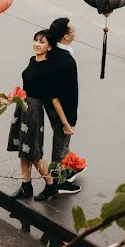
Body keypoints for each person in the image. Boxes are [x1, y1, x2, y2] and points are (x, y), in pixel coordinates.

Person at [7, 30, 59, 201]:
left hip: (34, 110)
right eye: (35, 40)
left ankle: (51, 186)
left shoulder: (49, 69)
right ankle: (26, 186)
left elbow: (52, 97)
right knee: (23, 150)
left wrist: (64, 123)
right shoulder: (32, 60)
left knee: (34, 153)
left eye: (42, 42)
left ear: (50, 47)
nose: (36, 44)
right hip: (22, 106)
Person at [45, 16, 82, 195]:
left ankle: (64, 171)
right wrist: (69, 121)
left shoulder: (53, 52)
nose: (75, 32)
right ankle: (58, 183)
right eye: (73, 30)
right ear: (66, 36)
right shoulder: (65, 60)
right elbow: (68, 94)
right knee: (61, 145)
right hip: (63, 111)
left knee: (61, 143)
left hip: (53, 107)